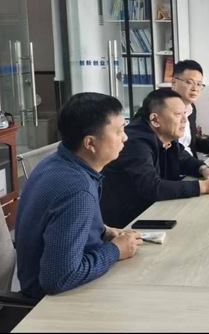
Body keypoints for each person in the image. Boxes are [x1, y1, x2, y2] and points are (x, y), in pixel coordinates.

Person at [14, 93, 142, 299]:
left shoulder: (55, 162)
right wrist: (116, 250)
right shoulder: (77, 190)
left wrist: (102, 230)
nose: (125, 137)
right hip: (52, 302)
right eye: (119, 131)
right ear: (90, 143)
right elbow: (58, 279)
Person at [100, 89, 209, 228]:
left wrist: (204, 169)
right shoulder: (135, 142)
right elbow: (151, 187)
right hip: (127, 222)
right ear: (155, 119)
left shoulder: (165, 135)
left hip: (155, 210)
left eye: (185, 114)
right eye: (178, 114)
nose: (184, 120)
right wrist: (204, 186)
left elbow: (182, 157)